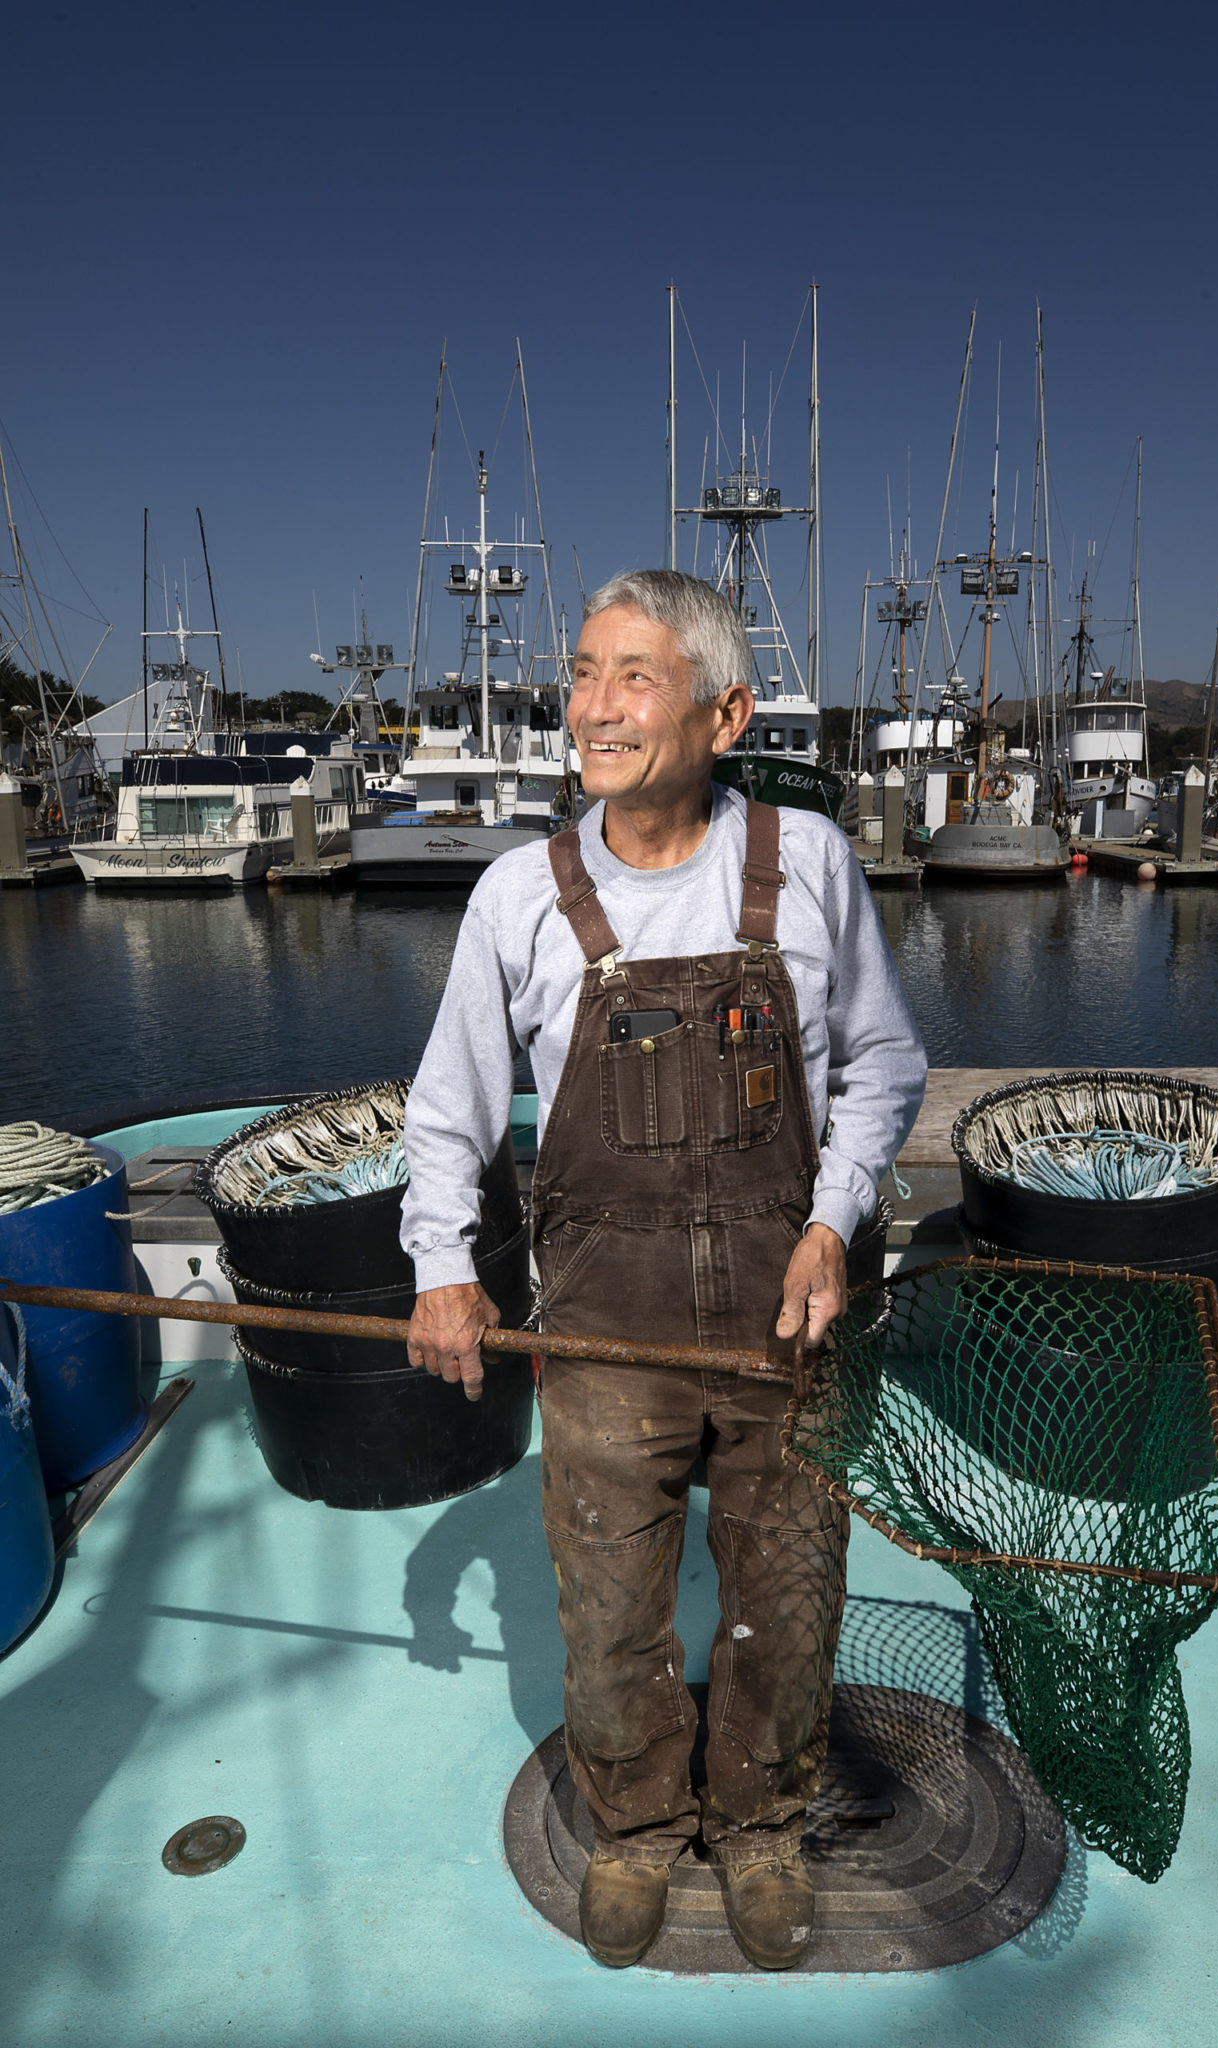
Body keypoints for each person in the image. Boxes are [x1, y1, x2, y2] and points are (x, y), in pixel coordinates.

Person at [401, 569, 926, 1970]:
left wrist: (833, 1217)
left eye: (635, 675)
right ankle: (632, 1827)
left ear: (724, 710)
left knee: (786, 1585)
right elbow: (449, 1109)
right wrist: (442, 1267)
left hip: (790, 1319)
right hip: (604, 1332)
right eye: (582, 673)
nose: (593, 707)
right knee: (611, 1597)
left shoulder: (808, 863)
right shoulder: (522, 894)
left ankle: (760, 1822)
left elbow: (884, 1064)